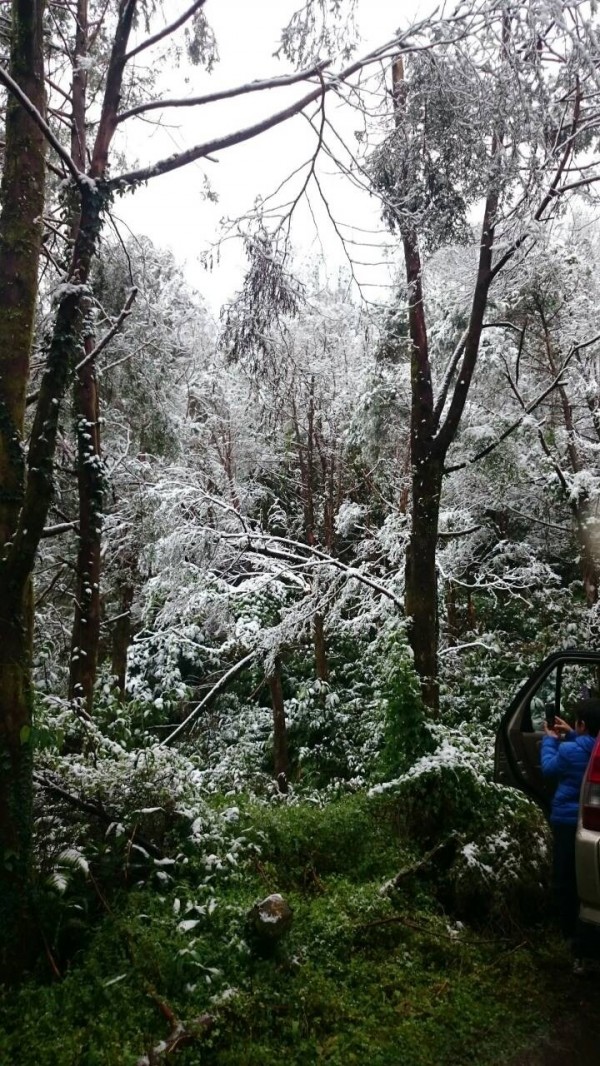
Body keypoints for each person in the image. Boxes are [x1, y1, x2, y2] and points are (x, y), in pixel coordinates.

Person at [541, 697, 600, 968]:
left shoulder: (568, 751)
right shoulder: (592, 748)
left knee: (563, 877)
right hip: (587, 826)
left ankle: (567, 932)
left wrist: (550, 740)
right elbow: (587, 744)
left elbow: (548, 767)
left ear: (583, 724)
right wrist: (574, 733)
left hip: (565, 821)